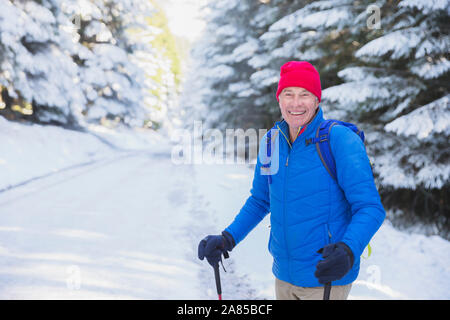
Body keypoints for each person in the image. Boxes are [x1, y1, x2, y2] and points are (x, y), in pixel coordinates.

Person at [198, 61, 386, 300]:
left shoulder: (339, 140)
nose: (295, 103)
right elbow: (260, 200)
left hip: (324, 277)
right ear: (279, 100)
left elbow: (370, 207)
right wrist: (227, 238)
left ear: (317, 100)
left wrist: (348, 250)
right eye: (288, 94)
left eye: (304, 95)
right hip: (283, 276)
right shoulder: (271, 142)